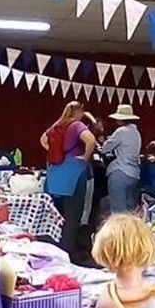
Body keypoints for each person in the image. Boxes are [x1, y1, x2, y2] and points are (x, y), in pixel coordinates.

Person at [41, 101, 97, 259]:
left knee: (55, 214)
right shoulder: (77, 125)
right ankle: (66, 253)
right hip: (74, 172)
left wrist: (56, 152)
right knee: (73, 216)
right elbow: (91, 140)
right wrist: (85, 157)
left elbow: (43, 140)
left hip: (54, 173)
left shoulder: (57, 125)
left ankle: (51, 249)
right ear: (78, 112)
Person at [101, 104, 141, 214]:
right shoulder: (136, 133)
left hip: (120, 172)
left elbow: (105, 149)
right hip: (134, 174)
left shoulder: (121, 131)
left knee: (118, 211)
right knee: (130, 209)